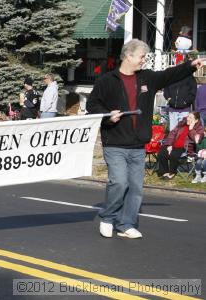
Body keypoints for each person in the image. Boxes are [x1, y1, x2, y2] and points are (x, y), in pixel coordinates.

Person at [86, 39, 204, 239]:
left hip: (138, 144)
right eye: (141, 57)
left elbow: (169, 75)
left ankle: (126, 224)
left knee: (135, 188)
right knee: (119, 183)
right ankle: (107, 217)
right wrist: (108, 114)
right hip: (115, 142)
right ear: (129, 56)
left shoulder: (147, 78)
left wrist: (190, 65)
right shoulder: (107, 81)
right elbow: (92, 105)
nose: (144, 61)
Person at [157, 112, 203, 179]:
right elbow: (172, 134)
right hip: (174, 145)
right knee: (162, 152)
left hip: (185, 148)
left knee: (174, 154)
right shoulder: (182, 124)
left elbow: (197, 140)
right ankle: (165, 172)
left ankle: (171, 173)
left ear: (196, 120)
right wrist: (169, 144)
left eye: (190, 118)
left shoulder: (199, 128)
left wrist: (191, 129)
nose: (188, 119)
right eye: (188, 117)